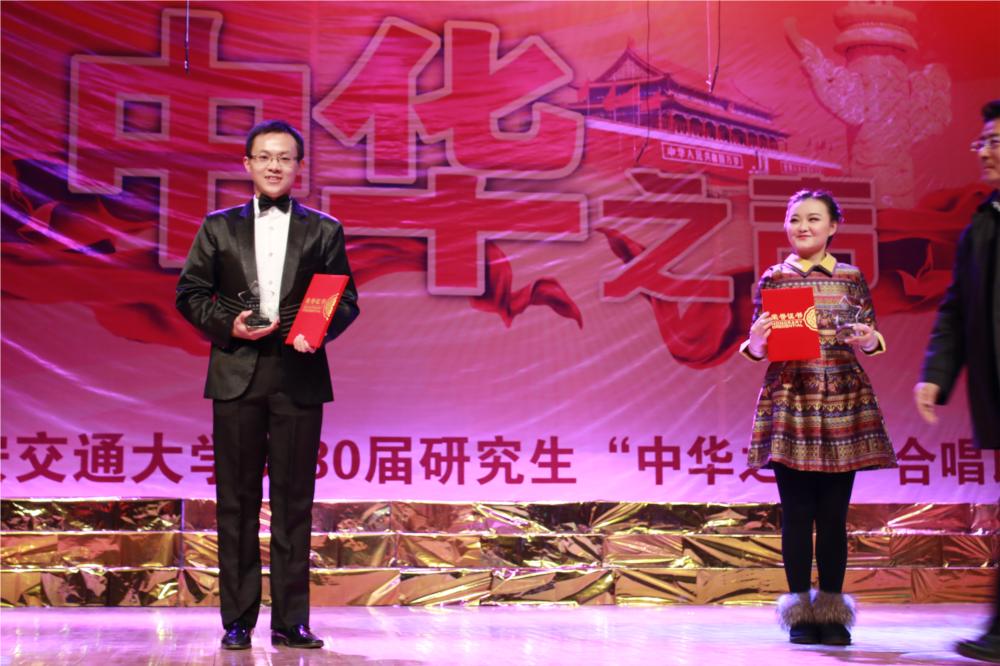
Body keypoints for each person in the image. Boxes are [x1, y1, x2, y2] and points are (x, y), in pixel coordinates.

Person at [176, 119, 359, 650]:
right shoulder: (218, 227)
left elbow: (346, 300)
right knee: (235, 501)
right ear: (248, 164)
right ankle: (237, 620)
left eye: (284, 157)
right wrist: (227, 324)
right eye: (264, 156)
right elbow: (190, 293)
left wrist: (317, 331)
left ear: (299, 166)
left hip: (298, 374)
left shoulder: (324, 229)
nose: (274, 165)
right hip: (236, 372)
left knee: (294, 501)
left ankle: (291, 621)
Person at [741, 189, 897, 646]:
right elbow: (758, 347)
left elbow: (870, 335)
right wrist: (757, 341)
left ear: (833, 226)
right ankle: (799, 613)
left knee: (832, 514)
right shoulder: (775, 277)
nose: (802, 227)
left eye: (813, 219)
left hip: (842, 397)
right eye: (794, 219)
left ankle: (831, 611)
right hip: (792, 397)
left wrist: (867, 339)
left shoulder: (850, 276)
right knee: (796, 513)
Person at [914, 99, 1000, 664]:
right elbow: (956, 309)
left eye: (995, 141)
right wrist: (936, 376)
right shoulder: (982, 224)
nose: (984, 151)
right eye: (982, 142)